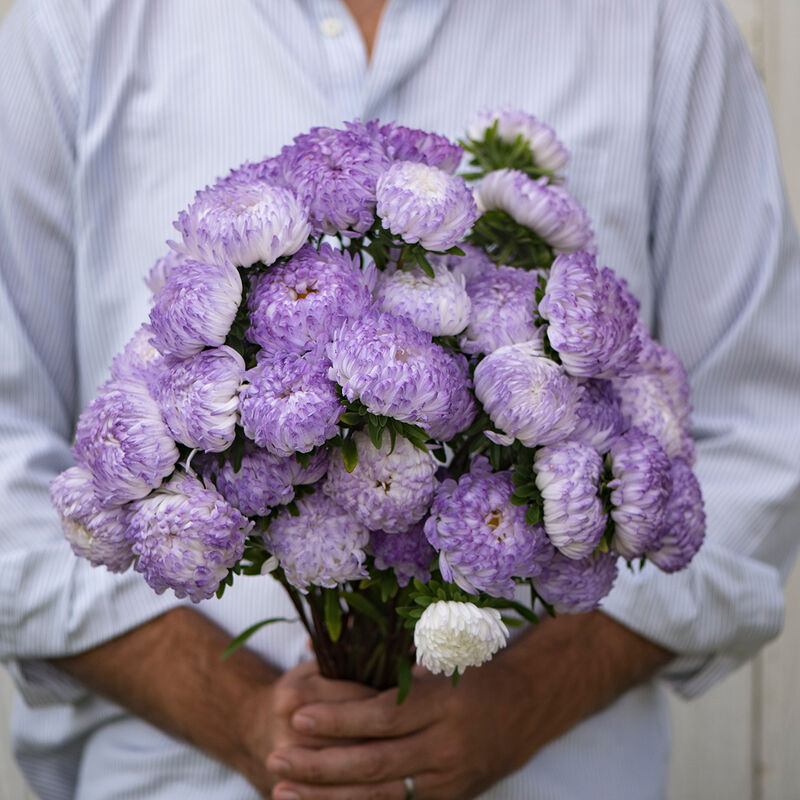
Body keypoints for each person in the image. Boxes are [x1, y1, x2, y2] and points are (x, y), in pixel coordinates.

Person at [1, 0, 799, 798]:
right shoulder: (71, 24)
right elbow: (9, 463)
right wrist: (246, 717)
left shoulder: (659, 23)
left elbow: (759, 432)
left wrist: (529, 697)